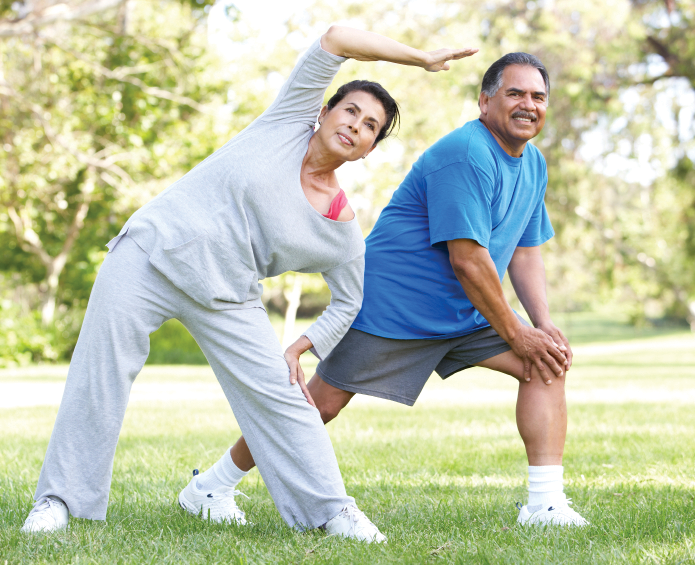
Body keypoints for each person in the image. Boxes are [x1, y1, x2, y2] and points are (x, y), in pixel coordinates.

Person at [19, 26, 478, 540]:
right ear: (325, 112)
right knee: (100, 374)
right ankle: (60, 500)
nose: (356, 124)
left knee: (284, 397)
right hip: (151, 253)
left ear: (369, 149)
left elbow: (350, 301)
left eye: (370, 125)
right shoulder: (285, 122)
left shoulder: (341, 230)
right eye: (350, 110)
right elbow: (337, 37)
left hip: (227, 295)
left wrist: (303, 347)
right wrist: (420, 58)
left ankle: (331, 511)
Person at [227, 52, 589, 528]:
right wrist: (518, 332)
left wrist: (542, 325)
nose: (528, 104)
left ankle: (544, 506)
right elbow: (469, 259)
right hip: (391, 307)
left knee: (546, 364)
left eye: (538, 96)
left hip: (466, 310)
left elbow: (524, 248)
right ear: (484, 102)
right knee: (321, 405)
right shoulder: (466, 154)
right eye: (514, 93)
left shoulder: (533, 163)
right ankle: (212, 485)